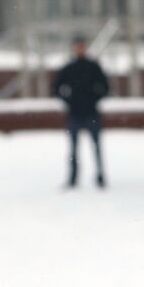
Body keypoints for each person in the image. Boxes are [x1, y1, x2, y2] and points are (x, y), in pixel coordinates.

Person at [53, 34, 109, 189]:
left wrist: (94, 99)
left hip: (91, 112)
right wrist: (69, 101)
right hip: (75, 113)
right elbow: (57, 87)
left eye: (82, 46)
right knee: (73, 148)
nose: (80, 49)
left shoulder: (93, 66)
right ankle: (73, 178)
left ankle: (100, 176)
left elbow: (105, 86)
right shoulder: (69, 68)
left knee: (96, 146)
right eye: (77, 46)